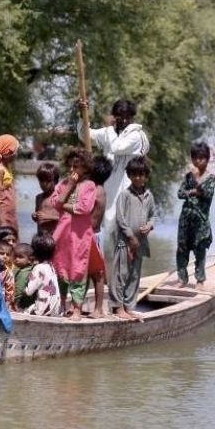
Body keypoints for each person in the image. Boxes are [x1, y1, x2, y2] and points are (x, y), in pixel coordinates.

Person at [77, 98, 150, 265]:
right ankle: (107, 274)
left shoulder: (136, 136)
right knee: (107, 236)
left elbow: (117, 147)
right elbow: (85, 135)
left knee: (125, 235)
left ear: (131, 117)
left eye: (125, 116)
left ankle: (125, 273)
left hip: (127, 193)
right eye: (118, 116)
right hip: (108, 192)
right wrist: (82, 115)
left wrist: (109, 128)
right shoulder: (110, 132)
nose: (122, 120)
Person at [50, 147, 96, 321]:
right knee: (59, 267)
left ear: (85, 167)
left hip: (80, 236)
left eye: (76, 167)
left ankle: (77, 309)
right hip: (61, 235)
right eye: (70, 166)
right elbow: (55, 203)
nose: (72, 170)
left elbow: (84, 208)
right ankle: (61, 304)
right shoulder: (63, 184)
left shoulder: (89, 186)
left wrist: (64, 205)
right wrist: (69, 186)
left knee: (78, 269)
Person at [110, 156, 158, 320]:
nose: (138, 178)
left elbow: (153, 216)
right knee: (120, 273)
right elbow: (120, 218)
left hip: (141, 243)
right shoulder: (125, 195)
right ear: (129, 175)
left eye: (141, 174)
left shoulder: (149, 196)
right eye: (134, 174)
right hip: (124, 242)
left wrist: (150, 225)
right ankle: (118, 307)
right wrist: (130, 236)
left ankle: (129, 306)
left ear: (146, 176)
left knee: (135, 275)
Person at [176, 142, 215, 290]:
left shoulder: (210, 178)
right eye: (195, 158)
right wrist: (192, 192)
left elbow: (206, 193)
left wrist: (196, 180)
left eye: (201, 158)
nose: (198, 161)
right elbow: (180, 193)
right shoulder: (188, 176)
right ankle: (182, 279)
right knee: (182, 249)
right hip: (186, 219)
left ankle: (200, 280)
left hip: (201, 221)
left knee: (200, 250)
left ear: (207, 159)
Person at [86, 155, 113, 319]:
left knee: (97, 274)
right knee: (86, 273)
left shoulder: (96, 191)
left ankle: (98, 309)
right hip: (90, 235)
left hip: (93, 236)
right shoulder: (99, 189)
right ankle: (81, 306)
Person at [25, 233, 61, 316]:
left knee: (23, 310)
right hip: (55, 309)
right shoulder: (51, 267)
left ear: (34, 251)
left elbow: (28, 291)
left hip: (43, 309)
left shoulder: (38, 268)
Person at [32, 162, 61, 235]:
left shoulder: (60, 197)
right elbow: (39, 218)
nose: (44, 184)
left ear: (55, 181)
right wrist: (35, 216)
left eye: (47, 181)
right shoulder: (38, 198)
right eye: (41, 180)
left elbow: (66, 218)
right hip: (42, 236)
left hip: (55, 236)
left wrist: (49, 217)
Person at [12, 242, 36, 311]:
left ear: (29, 260)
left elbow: (19, 289)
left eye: (20, 257)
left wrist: (15, 303)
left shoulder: (24, 272)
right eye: (15, 256)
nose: (17, 259)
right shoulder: (22, 269)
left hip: (22, 305)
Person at [0, 240, 16, 311]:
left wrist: (6, 307)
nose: (5, 256)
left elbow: (9, 291)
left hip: (1, 305)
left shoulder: (8, 273)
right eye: (1, 253)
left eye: (8, 254)